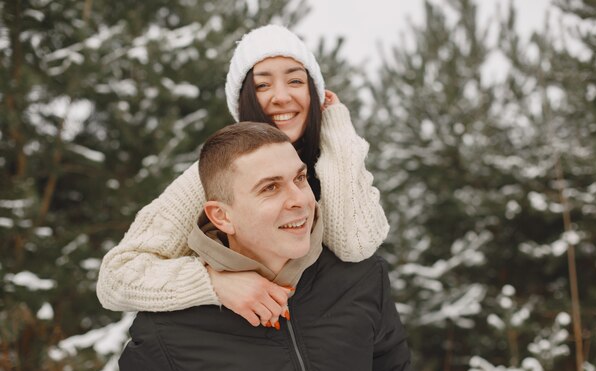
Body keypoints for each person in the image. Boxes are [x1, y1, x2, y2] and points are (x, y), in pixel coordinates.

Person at [111, 122, 423, 371]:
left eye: (299, 179)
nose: (299, 200)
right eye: (270, 188)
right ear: (221, 217)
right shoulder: (171, 330)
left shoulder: (361, 277)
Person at [97, 24, 390, 328]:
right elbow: (116, 277)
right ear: (243, 101)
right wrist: (215, 283)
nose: (281, 96)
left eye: (295, 80)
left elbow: (356, 242)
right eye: (263, 86)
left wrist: (337, 130)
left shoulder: (337, 161)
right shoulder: (217, 173)